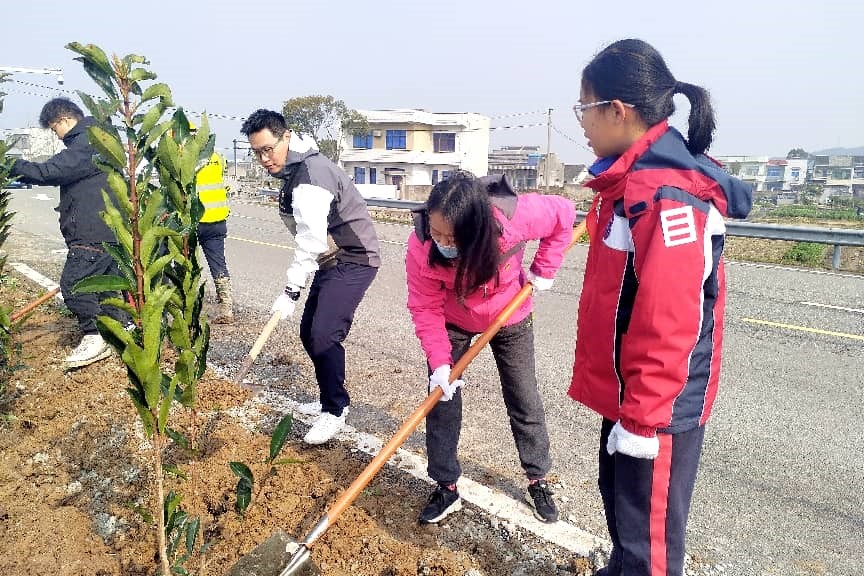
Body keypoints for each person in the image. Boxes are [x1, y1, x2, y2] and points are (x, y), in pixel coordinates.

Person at [566, 39, 753, 576]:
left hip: (658, 402)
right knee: (623, 506)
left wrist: (644, 422)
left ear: (616, 111)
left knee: (650, 536)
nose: (582, 124)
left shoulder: (665, 192)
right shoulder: (629, 180)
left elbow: (669, 319)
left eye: (584, 109)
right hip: (631, 391)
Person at [405, 171, 575, 525]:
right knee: (442, 400)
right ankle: (445, 485)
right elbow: (424, 307)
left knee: (523, 398)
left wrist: (544, 269)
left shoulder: (513, 218)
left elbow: (564, 213)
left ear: (477, 230)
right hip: (453, 321)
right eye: (436, 231)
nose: (441, 241)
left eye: (451, 237)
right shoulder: (421, 245)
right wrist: (439, 364)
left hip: (510, 316)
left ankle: (538, 477)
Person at [240, 109, 380, 445]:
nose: (263, 159)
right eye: (256, 152)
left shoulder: (310, 176)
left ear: (286, 137)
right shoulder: (295, 168)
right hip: (330, 258)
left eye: (267, 149)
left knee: (323, 335)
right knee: (308, 332)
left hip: (354, 258)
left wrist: (290, 291)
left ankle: (335, 409)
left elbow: (310, 239)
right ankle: (328, 396)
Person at [11, 97, 127, 369]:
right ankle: (117, 333)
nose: (56, 135)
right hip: (107, 231)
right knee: (106, 288)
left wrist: (11, 166)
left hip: (91, 232)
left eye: (54, 129)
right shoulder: (98, 139)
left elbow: (51, 171)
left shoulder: (87, 141)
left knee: (74, 286)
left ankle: (94, 336)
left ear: (63, 120)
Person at [192, 129, 234, 324]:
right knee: (218, 264)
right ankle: (226, 307)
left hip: (194, 221)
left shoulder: (187, 159)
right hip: (217, 220)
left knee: (188, 264)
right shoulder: (217, 157)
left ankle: (188, 306)